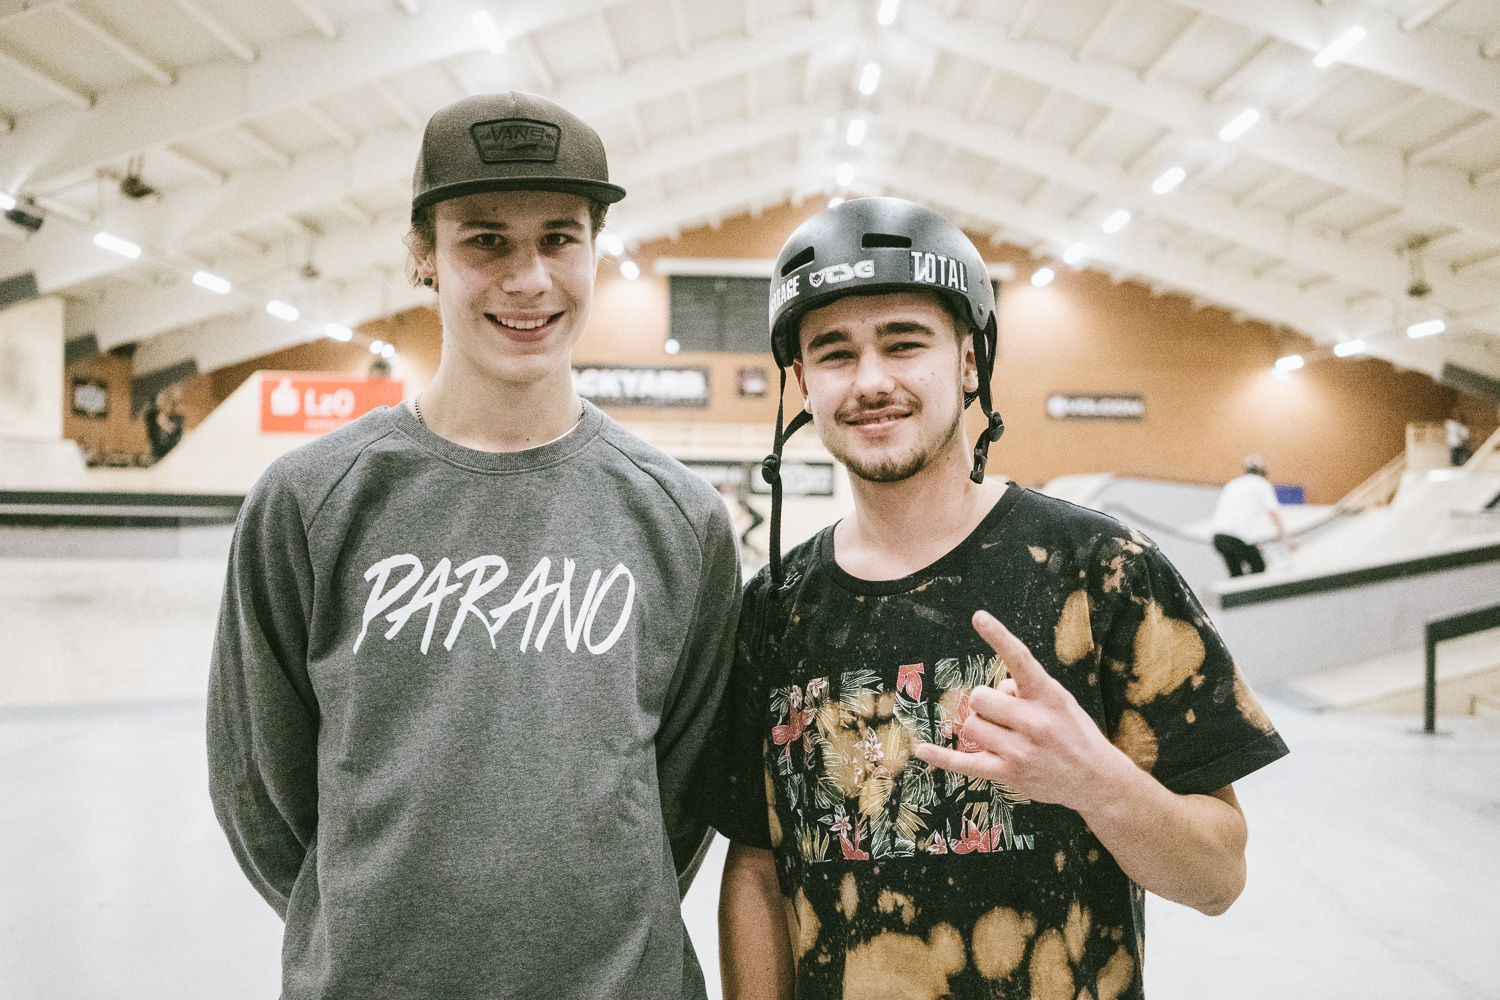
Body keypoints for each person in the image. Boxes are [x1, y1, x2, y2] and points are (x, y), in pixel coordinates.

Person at [207, 92, 741, 999]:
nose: (528, 279)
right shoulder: (309, 502)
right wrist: (375, 920)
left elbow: (682, 801)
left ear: (596, 249)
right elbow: (261, 788)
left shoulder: (681, 519)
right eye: (485, 240)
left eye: (559, 239)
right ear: (424, 255)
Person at [691, 198, 1289, 1000]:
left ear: (970, 362)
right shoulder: (775, 607)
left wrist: (1091, 780)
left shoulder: (1103, 570)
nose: (871, 381)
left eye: (905, 342)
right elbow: (759, 866)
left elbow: (1218, 878)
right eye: (835, 353)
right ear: (802, 382)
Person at [1210, 456, 1285, 577]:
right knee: (1259, 567)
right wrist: (1284, 536)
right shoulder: (1262, 484)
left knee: (1236, 575)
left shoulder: (1232, 484)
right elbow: (1273, 513)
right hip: (1236, 537)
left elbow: (1240, 514)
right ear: (1263, 473)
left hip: (1218, 537)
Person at [143, 385, 184, 463]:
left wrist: (166, 424)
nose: (161, 400)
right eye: (159, 397)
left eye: (164, 398)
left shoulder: (178, 418)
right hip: (157, 457)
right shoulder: (151, 416)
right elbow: (152, 438)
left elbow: (177, 437)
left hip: (172, 457)